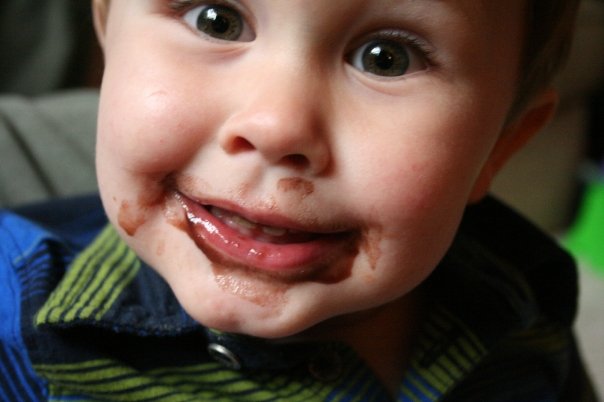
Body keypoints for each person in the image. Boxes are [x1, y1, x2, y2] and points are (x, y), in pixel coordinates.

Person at [0, 0, 599, 400]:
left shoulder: (524, 305)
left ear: (502, 144)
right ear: (108, 32)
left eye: (386, 59)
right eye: (217, 20)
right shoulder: (15, 325)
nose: (277, 126)